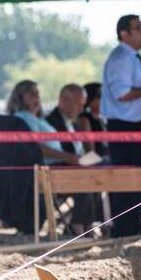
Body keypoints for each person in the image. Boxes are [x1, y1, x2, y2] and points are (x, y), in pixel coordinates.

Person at [101, 14, 141, 237]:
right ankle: (124, 229)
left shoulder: (133, 58)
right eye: (138, 28)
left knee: (137, 179)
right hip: (123, 126)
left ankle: (134, 225)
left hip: (136, 125)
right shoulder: (121, 58)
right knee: (127, 180)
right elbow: (122, 94)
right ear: (124, 34)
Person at [46, 83, 103, 231]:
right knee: (88, 175)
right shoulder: (53, 121)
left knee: (102, 169)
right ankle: (80, 224)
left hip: (73, 165)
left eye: (83, 105)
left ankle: (90, 223)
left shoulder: (71, 122)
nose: (81, 110)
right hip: (58, 170)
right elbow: (65, 153)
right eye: (78, 105)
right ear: (64, 100)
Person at [5, 80, 78, 165]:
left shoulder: (39, 119)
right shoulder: (23, 117)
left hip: (57, 163)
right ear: (20, 97)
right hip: (46, 167)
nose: (37, 96)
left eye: (37, 93)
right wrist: (66, 156)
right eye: (32, 93)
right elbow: (34, 146)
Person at [76, 82, 107, 158]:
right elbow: (90, 152)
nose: (105, 99)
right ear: (90, 99)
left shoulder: (103, 119)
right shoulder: (84, 119)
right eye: (100, 96)